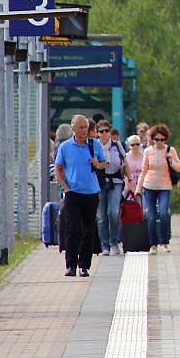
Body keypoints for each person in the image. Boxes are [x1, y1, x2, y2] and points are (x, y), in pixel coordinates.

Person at [53, 114, 106, 277]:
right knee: (73, 228)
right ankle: (71, 265)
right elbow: (58, 169)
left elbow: (104, 163)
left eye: (86, 128)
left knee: (88, 229)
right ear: (73, 129)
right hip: (72, 193)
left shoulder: (94, 144)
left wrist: (98, 164)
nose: (84, 131)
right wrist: (66, 188)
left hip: (91, 192)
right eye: (81, 127)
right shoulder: (65, 147)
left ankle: (84, 265)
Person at [134, 124, 180, 254]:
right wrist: (138, 189)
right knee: (151, 216)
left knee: (163, 213)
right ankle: (153, 244)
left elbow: (179, 168)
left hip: (164, 186)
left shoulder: (170, 151)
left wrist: (171, 161)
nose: (159, 142)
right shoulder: (148, 151)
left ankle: (164, 242)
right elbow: (143, 171)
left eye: (162, 140)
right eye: (157, 139)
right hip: (149, 186)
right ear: (153, 139)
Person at [94, 120, 127, 255]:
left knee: (113, 212)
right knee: (102, 215)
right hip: (99, 182)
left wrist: (129, 180)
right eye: (101, 131)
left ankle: (115, 242)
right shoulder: (94, 146)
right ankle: (105, 245)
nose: (104, 134)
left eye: (106, 131)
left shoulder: (117, 145)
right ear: (97, 133)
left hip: (115, 181)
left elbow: (125, 162)